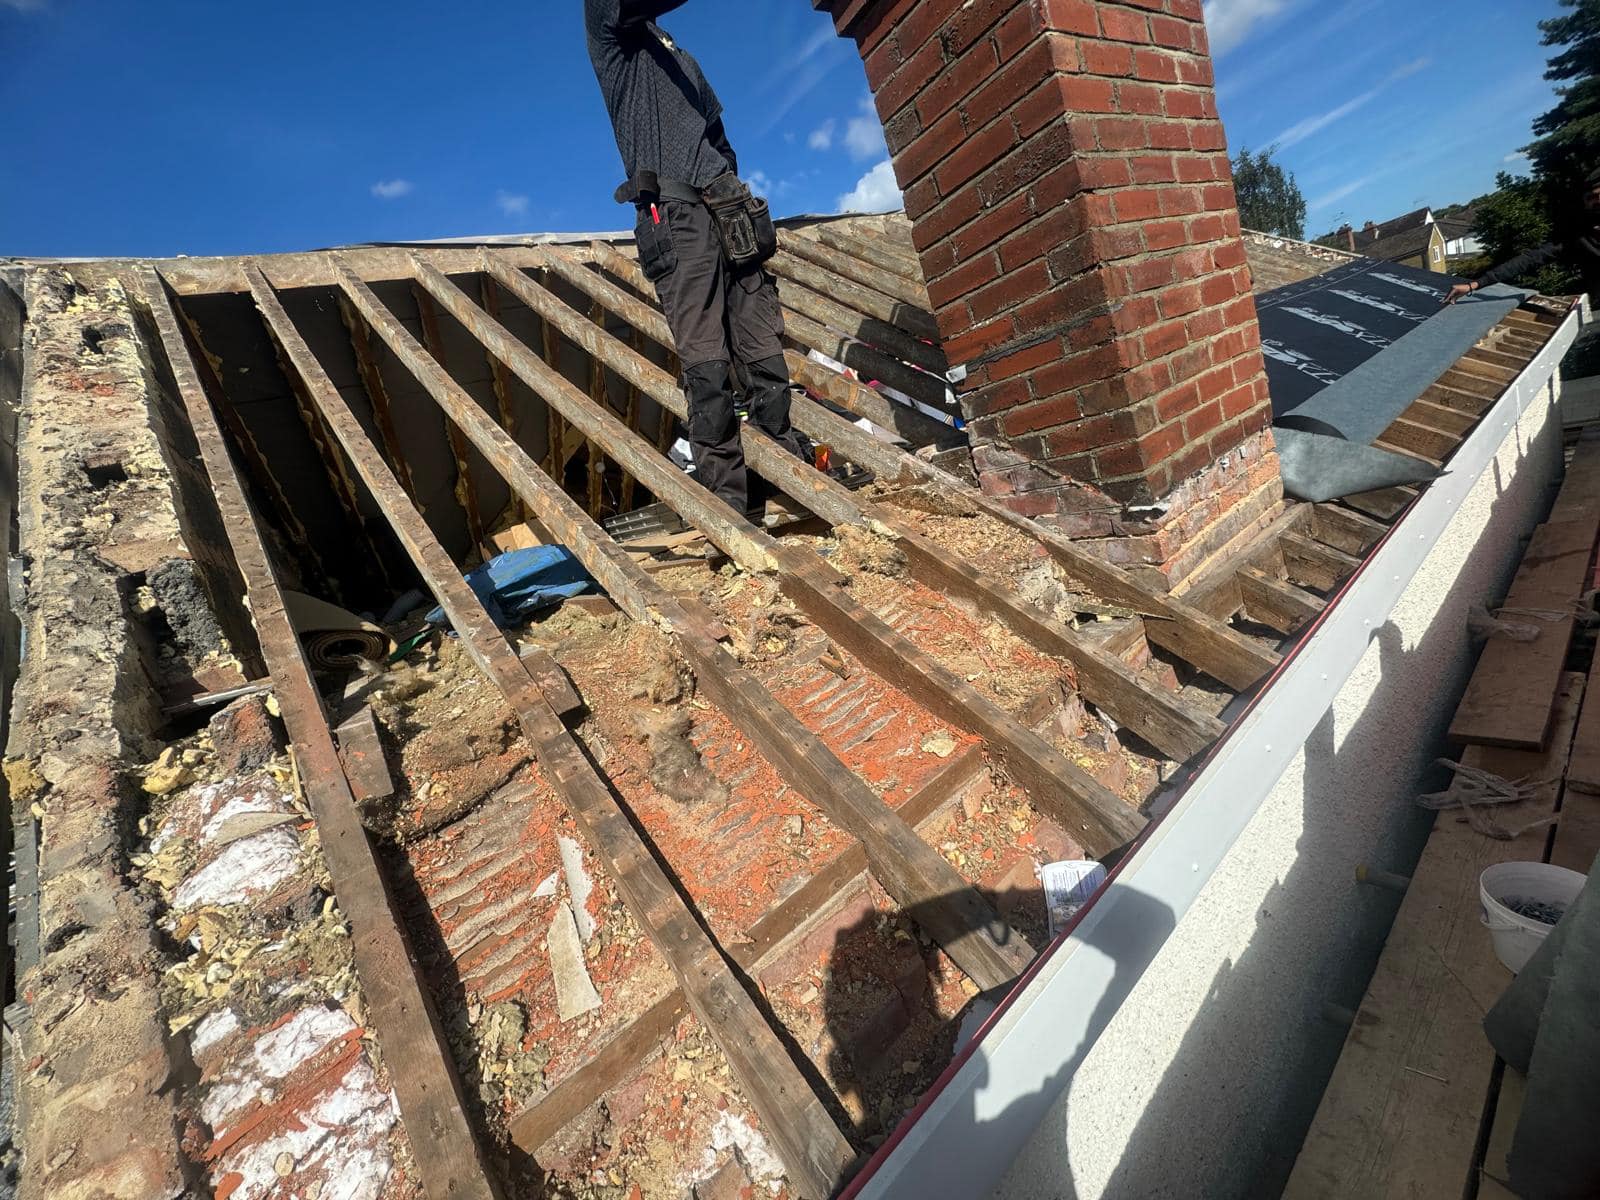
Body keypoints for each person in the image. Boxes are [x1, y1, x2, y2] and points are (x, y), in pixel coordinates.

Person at [584, 0, 811, 518]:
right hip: (676, 214)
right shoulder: (611, 30)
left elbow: (718, 138)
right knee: (707, 363)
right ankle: (729, 505)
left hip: (727, 210)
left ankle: (787, 477)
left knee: (762, 351)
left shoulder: (683, 59)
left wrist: (733, 195)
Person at [1446, 165, 1600, 303]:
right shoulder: (1575, 236)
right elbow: (1528, 260)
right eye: (1592, 197)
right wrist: (1474, 285)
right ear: (1585, 203)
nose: (1597, 201)